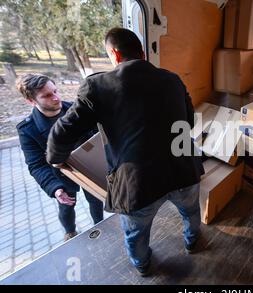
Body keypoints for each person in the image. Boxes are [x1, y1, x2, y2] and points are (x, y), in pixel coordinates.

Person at [46, 28, 204, 277]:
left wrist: (55, 159)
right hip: (184, 169)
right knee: (192, 212)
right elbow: (190, 121)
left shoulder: (97, 86)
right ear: (142, 53)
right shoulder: (172, 78)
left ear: (115, 55)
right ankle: (192, 241)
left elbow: (63, 132)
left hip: (138, 184)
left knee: (136, 233)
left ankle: (143, 266)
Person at [16, 74, 104, 241]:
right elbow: (36, 165)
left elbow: (97, 135)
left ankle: (99, 226)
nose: (56, 98)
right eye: (47, 95)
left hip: (88, 169)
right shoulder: (27, 129)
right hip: (61, 177)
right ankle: (70, 232)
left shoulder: (76, 110)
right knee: (66, 208)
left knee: (96, 201)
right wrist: (54, 188)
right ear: (31, 101)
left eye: (55, 91)